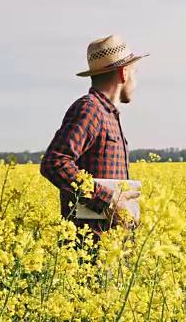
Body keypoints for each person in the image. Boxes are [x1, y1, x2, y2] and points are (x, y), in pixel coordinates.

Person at [40, 34, 148, 243]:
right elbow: (54, 162)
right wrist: (108, 201)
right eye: (135, 73)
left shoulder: (108, 115)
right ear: (123, 73)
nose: (136, 81)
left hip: (111, 244)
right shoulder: (90, 109)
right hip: (91, 248)